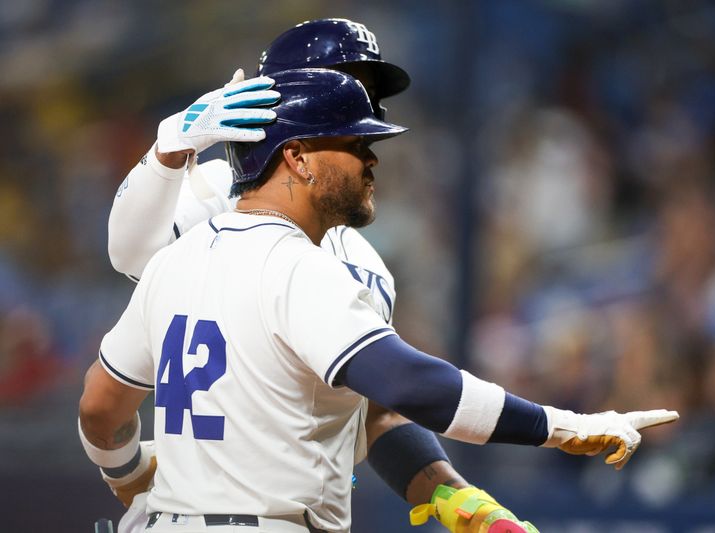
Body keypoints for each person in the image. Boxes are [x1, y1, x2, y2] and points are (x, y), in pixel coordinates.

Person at [80, 68, 679, 533]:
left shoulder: (177, 260)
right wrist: (565, 425)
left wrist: (133, 478)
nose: (372, 158)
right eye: (354, 142)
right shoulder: (297, 266)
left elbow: (100, 407)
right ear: (298, 157)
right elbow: (411, 385)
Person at [104, 18, 542, 533]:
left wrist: (454, 494)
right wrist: (168, 151)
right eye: (346, 81)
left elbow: (373, 408)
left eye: (370, 91)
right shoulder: (218, 195)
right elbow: (128, 256)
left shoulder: (364, 257)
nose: (363, 104)